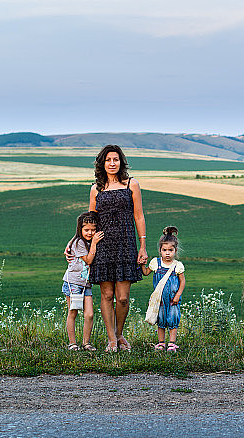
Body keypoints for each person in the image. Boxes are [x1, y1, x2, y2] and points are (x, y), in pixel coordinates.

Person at [87, 145, 148, 353]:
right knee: (106, 294)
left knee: (122, 297)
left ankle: (119, 332)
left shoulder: (132, 184)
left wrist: (143, 247)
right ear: (102, 164)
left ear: (121, 162)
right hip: (103, 245)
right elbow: (90, 221)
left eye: (115, 159)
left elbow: (139, 216)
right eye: (108, 160)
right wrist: (79, 244)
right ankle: (112, 339)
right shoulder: (96, 188)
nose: (112, 163)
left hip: (126, 243)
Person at [63, 211, 103, 351]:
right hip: (73, 282)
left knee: (89, 314)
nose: (90, 233)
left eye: (93, 230)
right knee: (73, 312)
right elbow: (89, 260)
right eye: (86, 230)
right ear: (80, 229)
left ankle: (86, 343)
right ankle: (72, 343)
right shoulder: (79, 242)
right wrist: (95, 243)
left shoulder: (87, 241)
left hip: (86, 284)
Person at [142, 226, 185, 352]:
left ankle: (172, 343)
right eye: (164, 250)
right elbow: (145, 272)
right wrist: (142, 264)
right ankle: (161, 343)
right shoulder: (156, 263)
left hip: (173, 300)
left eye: (170, 250)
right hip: (160, 300)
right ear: (160, 250)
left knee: (172, 319)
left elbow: (182, 282)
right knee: (160, 320)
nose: (167, 253)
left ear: (175, 251)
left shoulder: (177, 266)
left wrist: (177, 295)